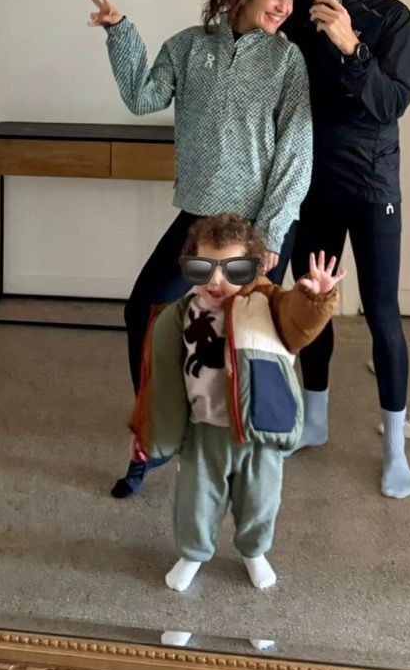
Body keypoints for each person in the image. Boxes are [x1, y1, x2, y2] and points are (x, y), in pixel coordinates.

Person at [117, 0, 410, 500]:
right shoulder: (298, 6)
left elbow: (392, 103)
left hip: (366, 184)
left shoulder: (393, 18)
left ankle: (393, 444)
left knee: (378, 314)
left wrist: (351, 46)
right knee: (302, 310)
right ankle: (307, 420)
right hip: (310, 189)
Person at [87, 0, 313, 497]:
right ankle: (158, 432)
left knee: (247, 341)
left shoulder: (287, 61)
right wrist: (120, 31)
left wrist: (270, 236)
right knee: (145, 312)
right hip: (198, 221)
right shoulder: (189, 47)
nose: (285, 7)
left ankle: (246, 455)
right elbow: (142, 96)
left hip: (257, 229)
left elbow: (295, 153)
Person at [129, 213, 342, 591]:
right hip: (203, 430)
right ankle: (193, 553)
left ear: (254, 270)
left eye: (234, 270)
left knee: (261, 500)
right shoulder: (180, 315)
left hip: (257, 433)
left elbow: (300, 323)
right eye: (202, 268)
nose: (216, 280)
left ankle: (254, 551)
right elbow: (161, 380)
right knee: (195, 501)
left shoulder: (269, 305)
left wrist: (315, 297)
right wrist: (149, 431)